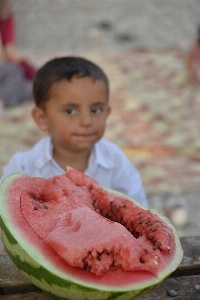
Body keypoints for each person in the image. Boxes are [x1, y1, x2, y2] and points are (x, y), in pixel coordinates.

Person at [0, 56, 148, 207]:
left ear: (107, 113)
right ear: (42, 119)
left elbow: (139, 207)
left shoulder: (115, 161)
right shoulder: (22, 167)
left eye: (96, 110)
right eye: (70, 111)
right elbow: (4, 210)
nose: (86, 121)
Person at [0, 0, 36, 113]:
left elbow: (10, 52)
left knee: (31, 89)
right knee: (14, 71)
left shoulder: (5, 16)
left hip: (5, 71)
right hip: (7, 70)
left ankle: (6, 100)